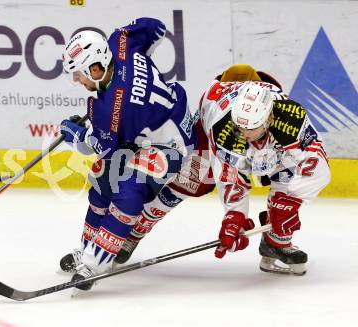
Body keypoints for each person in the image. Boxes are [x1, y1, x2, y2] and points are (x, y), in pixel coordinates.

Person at [59, 17, 198, 290]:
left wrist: (77, 137)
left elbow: (104, 148)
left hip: (171, 146)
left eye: (79, 73)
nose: (76, 80)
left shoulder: (112, 111)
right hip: (164, 119)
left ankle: (94, 263)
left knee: (127, 191)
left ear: (96, 68)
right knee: (101, 182)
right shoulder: (120, 43)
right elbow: (155, 27)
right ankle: (88, 248)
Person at [113, 64, 280, 264]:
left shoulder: (275, 104)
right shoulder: (215, 100)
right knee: (179, 190)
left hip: (248, 149)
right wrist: (235, 217)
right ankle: (133, 233)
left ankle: (277, 240)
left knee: (283, 185)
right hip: (207, 149)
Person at [197, 76, 331, 275]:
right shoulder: (224, 129)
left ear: (268, 119)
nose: (242, 133)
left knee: (288, 165)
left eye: (249, 128)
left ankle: (276, 242)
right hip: (210, 109)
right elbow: (231, 178)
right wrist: (234, 218)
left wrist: (290, 202)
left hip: (267, 122)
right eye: (238, 127)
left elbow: (316, 162)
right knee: (188, 181)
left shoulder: (291, 118)